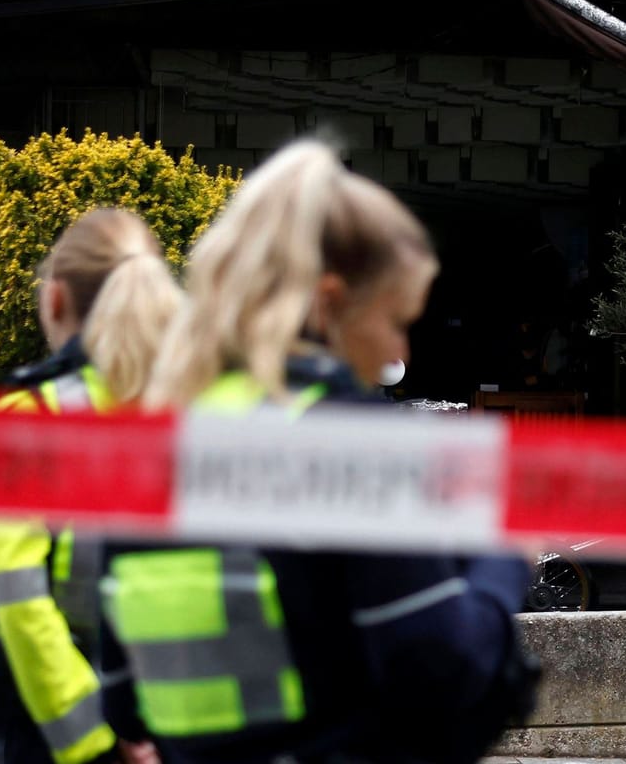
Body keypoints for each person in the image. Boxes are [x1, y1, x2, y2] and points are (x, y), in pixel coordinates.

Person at [101, 140, 539, 764]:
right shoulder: (346, 447)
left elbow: (121, 694)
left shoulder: (154, 446)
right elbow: (441, 672)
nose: (403, 353)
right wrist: (503, 558)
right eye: (394, 321)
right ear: (330, 302)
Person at [0, 208, 180, 764]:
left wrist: (95, 735)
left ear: (55, 299)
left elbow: (16, 591)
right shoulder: (201, 412)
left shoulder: (32, 417)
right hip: (181, 725)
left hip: (63, 730)